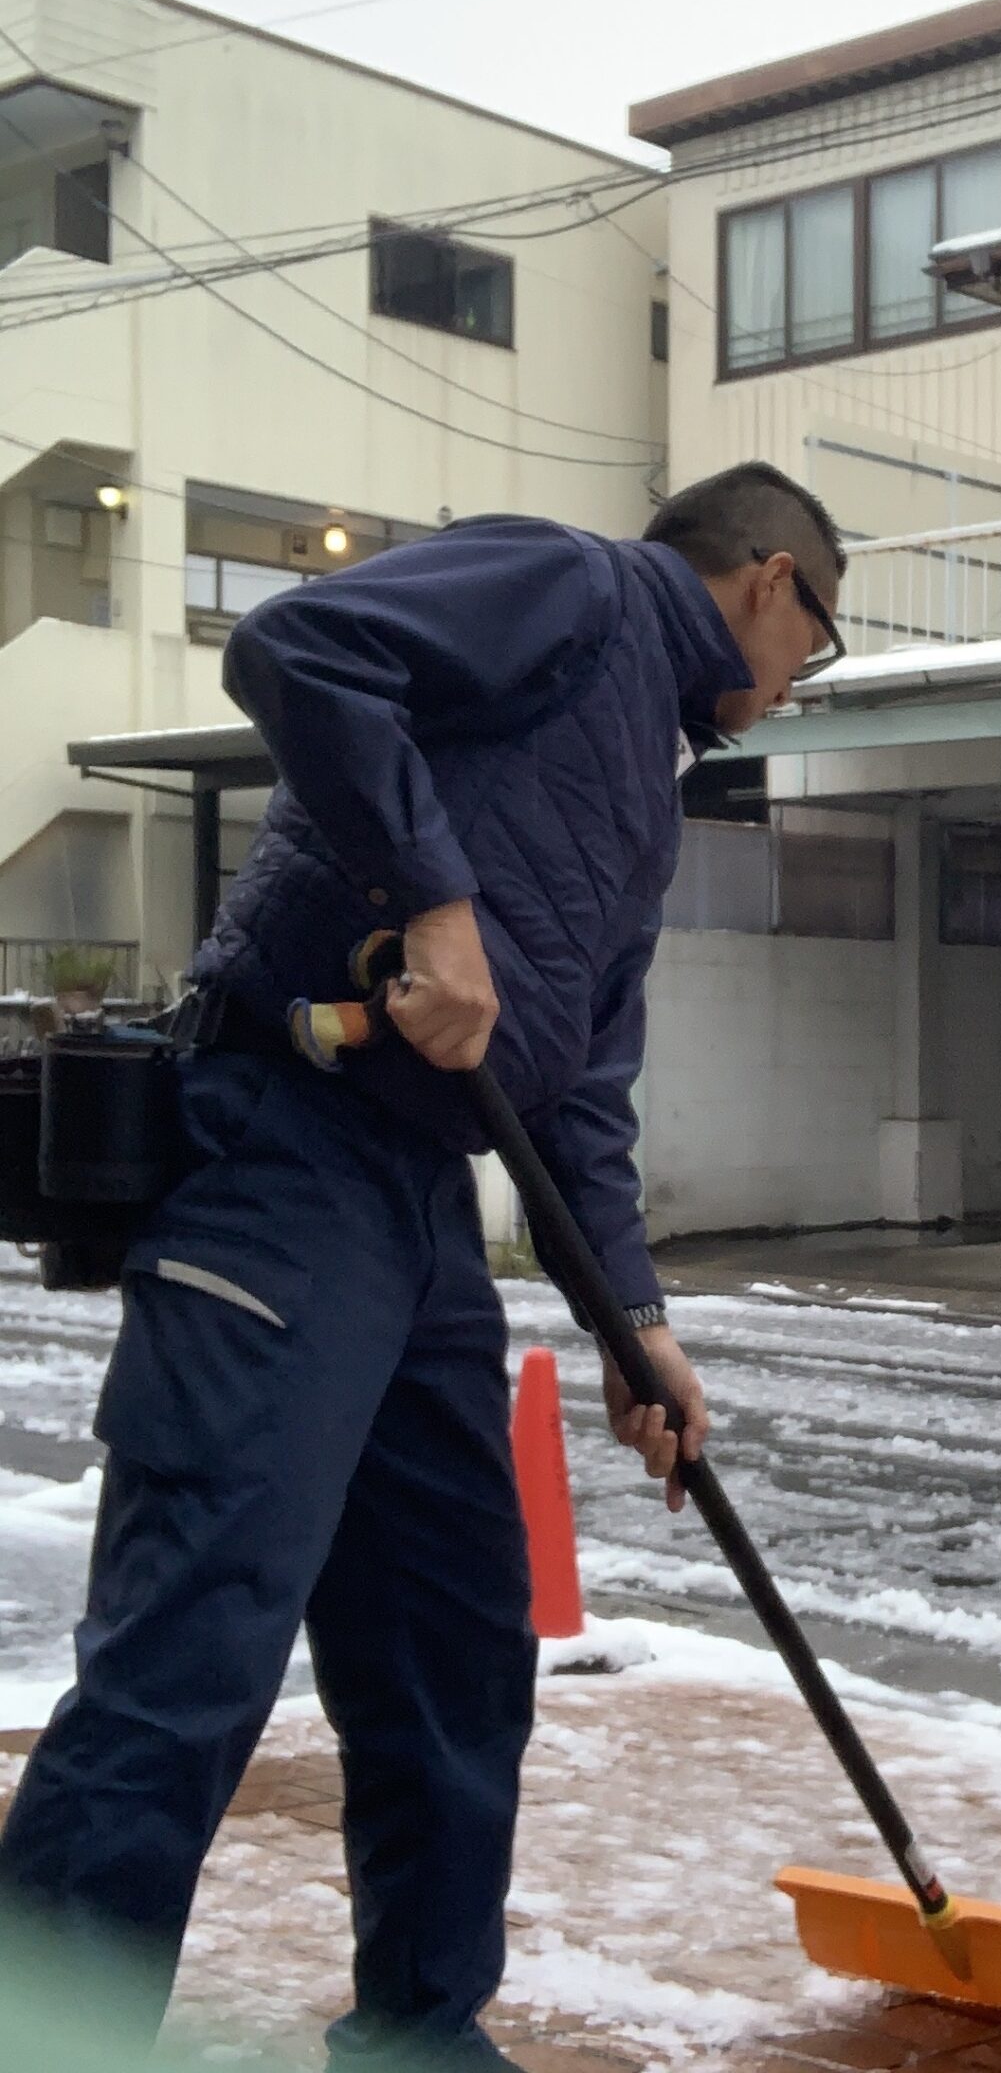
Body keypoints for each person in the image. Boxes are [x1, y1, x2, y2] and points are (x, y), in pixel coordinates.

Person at [0, 463, 847, 2068]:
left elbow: (583, 1089)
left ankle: (420, 2035)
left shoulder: (644, 790)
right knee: (194, 1652)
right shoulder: (579, 588)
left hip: (418, 1206)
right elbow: (304, 648)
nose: (802, 676)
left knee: (454, 1643)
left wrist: (634, 1321)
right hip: (280, 1151)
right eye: (819, 640)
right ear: (769, 580)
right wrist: (436, 903)